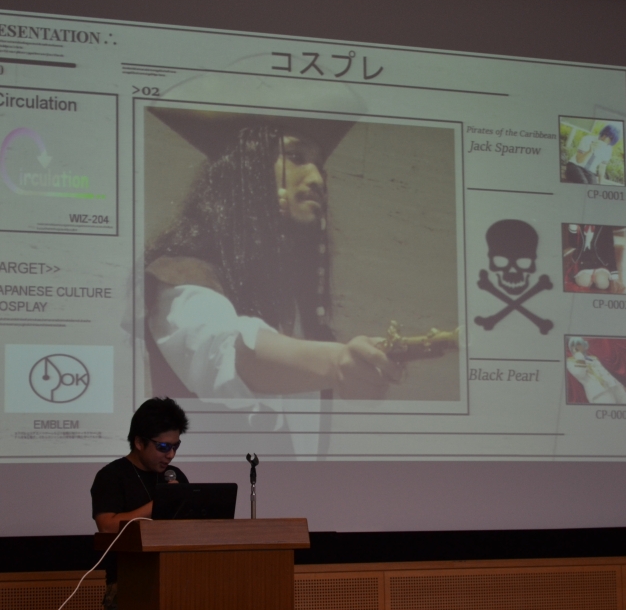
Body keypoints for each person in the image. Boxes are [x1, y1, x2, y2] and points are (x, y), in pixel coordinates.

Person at [143, 108, 399, 420]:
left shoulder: (300, 306)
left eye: (320, 167)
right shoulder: (183, 275)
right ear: (247, 169)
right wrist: (335, 363)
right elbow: (225, 353)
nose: (317, 179)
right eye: (295, 156)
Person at [90, 397, 190, 610]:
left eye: (176, 446)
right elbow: (107, 526)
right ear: (139, 442)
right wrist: (158, 505)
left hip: (177, 580)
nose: (171, 455)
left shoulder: (175, 477)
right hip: (128, 585)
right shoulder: (111, 476)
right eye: (163, 447)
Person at [565, 337, 626, 404]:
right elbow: (580, 374)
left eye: (579, 344)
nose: (577, 347)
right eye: (573, 345)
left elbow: (605, 373)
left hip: (614, 386)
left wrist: (620, 385)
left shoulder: (593, 358)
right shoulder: (570, 362)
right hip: (598, 392)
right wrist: (579, 356)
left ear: (584, 345)